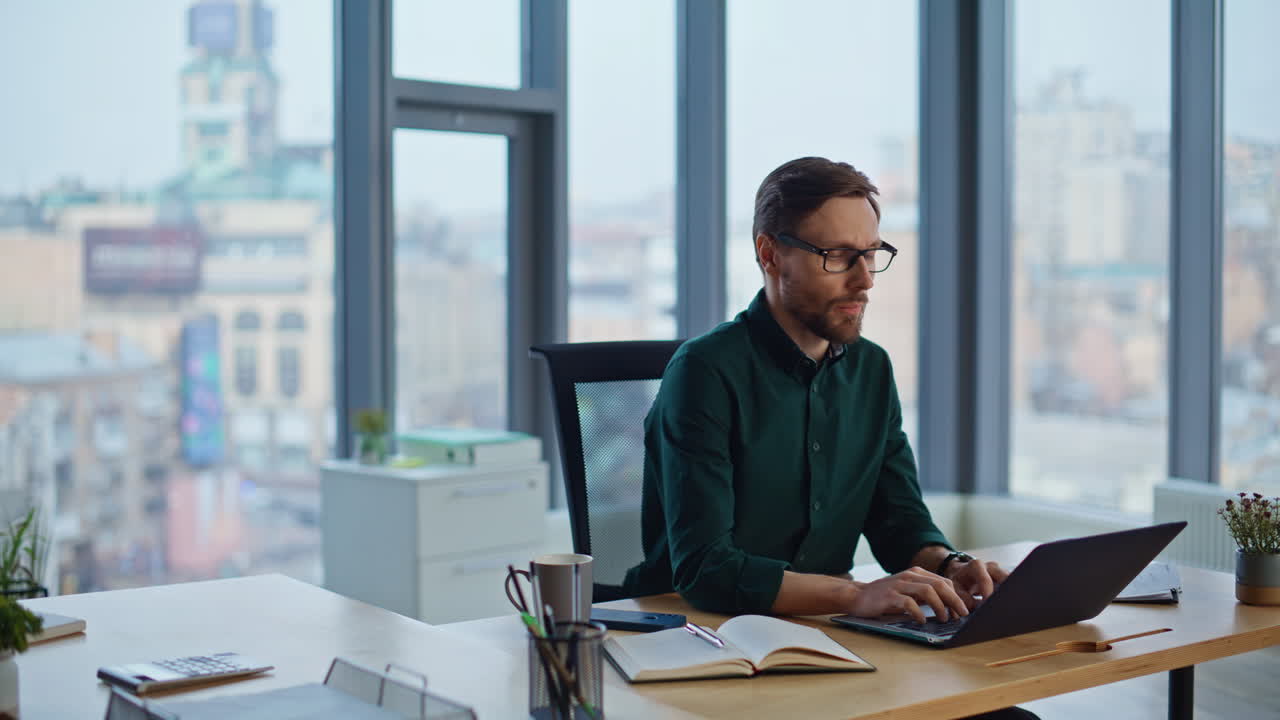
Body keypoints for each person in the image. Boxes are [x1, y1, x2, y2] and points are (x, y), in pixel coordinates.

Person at [623, 156, 1008, 624]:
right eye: (838, 256)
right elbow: (707, 570)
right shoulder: (704, 371)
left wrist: (952, 567)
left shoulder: (872, 369)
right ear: (770, 254)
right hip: (695, 634)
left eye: (870, 254)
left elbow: (899, 525)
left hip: (822, 631)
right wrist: (853, 597)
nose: (864, 280)